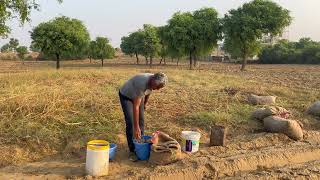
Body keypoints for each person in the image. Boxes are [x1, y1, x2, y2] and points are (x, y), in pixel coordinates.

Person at [119, 72, 168, 161]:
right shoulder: (141, 83)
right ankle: (132, 150)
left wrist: (145, 103)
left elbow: (149, 91)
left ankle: (141, 143)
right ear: (153, 80)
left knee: (141, 120)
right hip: (126, 96)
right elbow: (136, 106)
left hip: (138, 96)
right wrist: (136, 127)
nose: (157, 89)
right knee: (131, 122)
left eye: (159, 88)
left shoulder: (153, 81)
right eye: (157, 87)